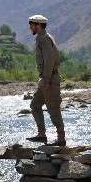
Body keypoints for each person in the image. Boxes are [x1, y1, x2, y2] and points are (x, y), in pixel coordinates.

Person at [26, 15, 66, 147]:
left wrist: (46, 79)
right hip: (46, 79)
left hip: (49, 80)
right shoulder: (42, 38)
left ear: (38, 25)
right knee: (35, 105)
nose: (30, 27)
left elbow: (49, 61)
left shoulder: (44, 39)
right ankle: (42, 134)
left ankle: (61, 138)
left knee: (53, 108)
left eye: (31, 24)